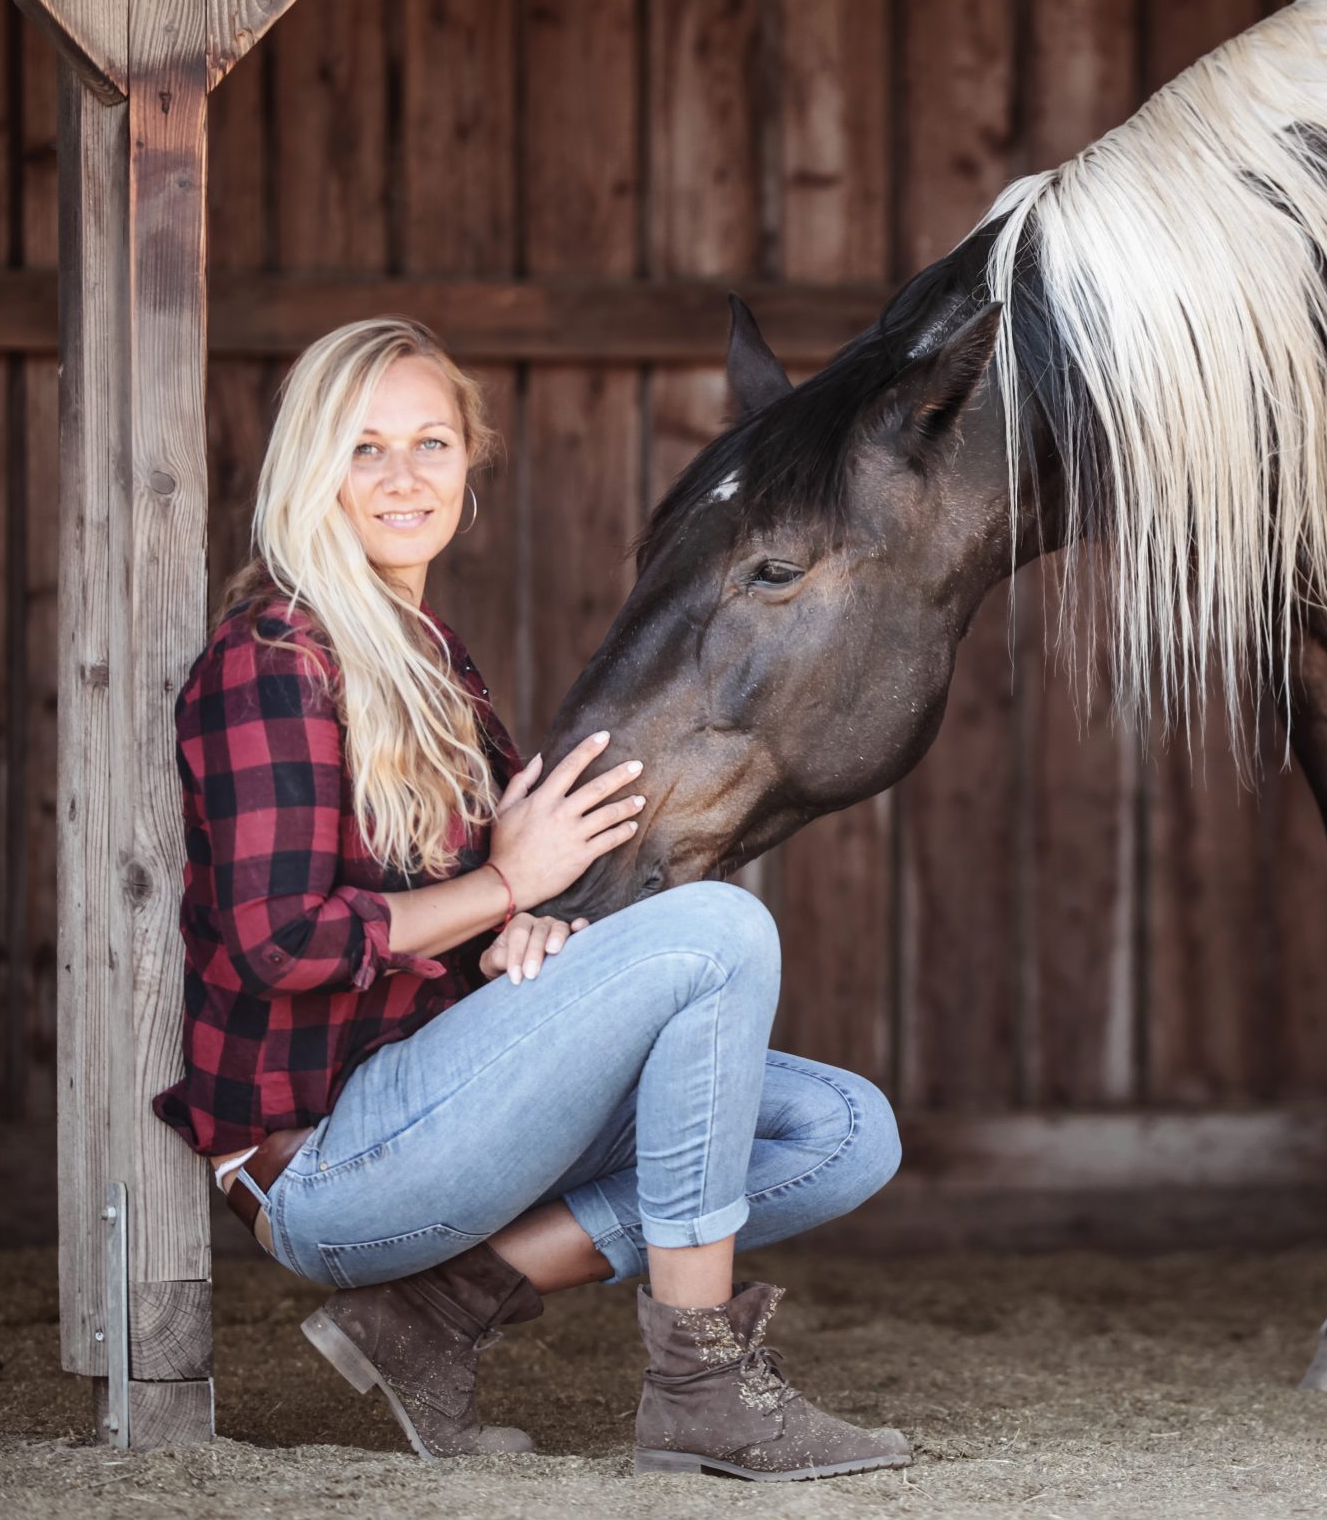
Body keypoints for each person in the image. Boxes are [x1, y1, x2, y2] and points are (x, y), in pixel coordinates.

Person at [152, 318, 908, 1481]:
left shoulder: (430, 663)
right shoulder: (272, 659)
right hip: (325, 1165)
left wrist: (517, 929)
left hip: (443, 1103)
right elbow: (279, 942)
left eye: (431, 443)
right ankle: (701, 1383)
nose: (405, 478)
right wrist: (507, 883)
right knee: (717, 930)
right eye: (364, 449)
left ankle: (437, 1313)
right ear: (309, 466)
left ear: (469, 461)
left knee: (840, 1133)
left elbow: (452, 925)